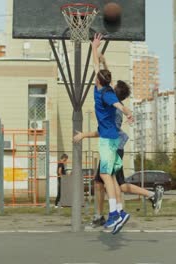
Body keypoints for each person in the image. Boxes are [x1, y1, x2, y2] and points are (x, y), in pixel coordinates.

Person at [75, 80, 164, 228]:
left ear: (114, 93)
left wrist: (84, 135)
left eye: (113, 87)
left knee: (106, 181)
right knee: (116, 184)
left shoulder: (114, 109)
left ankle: (113, 215)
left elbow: (106, 132)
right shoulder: (115, 106)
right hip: (116, 147)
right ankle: (150, 196)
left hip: (112, 147)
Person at [74, 33, 133, 234]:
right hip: (113, 140)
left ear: (97, 81)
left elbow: (117, 103)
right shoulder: (105, 87)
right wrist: (95, 50)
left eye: (96, 76)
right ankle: (117, 213)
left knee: (106, 176)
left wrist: (127, 111)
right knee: (112, 179)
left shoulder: (106, 94)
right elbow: (97, 68)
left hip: (108, 141)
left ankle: (117, 214)